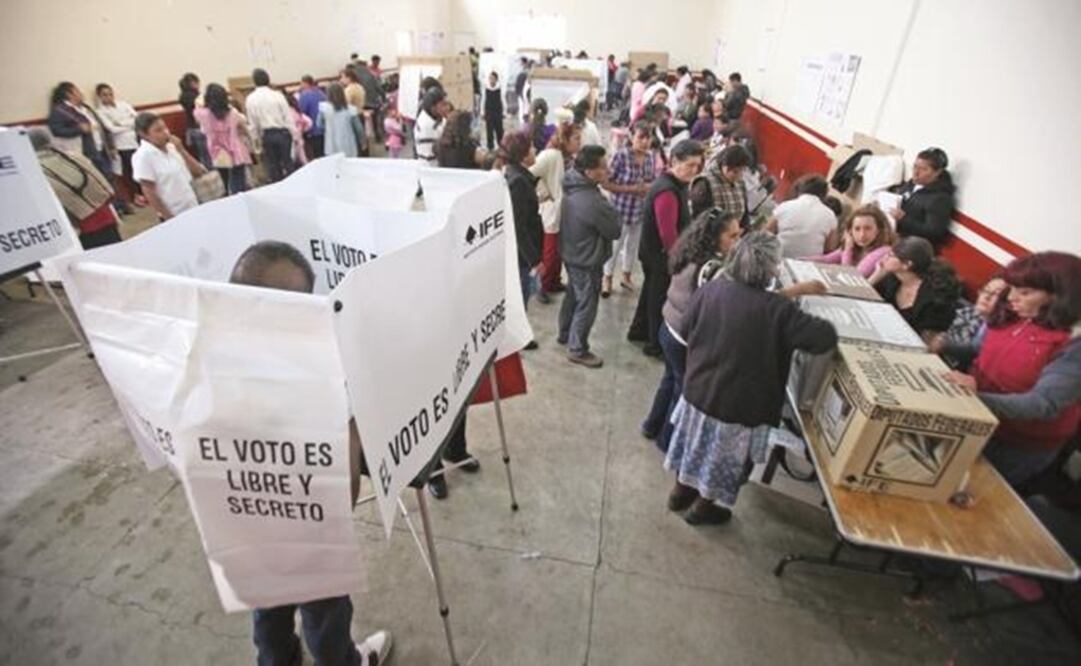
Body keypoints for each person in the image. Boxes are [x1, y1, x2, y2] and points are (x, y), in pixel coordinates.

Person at [229, 240, 394, 666]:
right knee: (325, 617)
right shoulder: (327, 371)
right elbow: (345, 481)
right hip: (312, 529)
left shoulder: (212, 363)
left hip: (247, 524)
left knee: (268, 608)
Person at [666, 232, 837, 524]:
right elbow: (823, 338)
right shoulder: (779, 311)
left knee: (693, 447)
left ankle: (679, 493)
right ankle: (703, 509)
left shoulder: (712, 290)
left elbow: (685, 329)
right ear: (771, 269)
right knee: (723, 462)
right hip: (739, 408)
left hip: (699, 391)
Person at [943, 252, 1081, 488]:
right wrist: (943, 345)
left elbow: (1043, 404)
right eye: (1013, 288)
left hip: (1016, 444)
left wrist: (977, 397)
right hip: (978, 419)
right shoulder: (1015, 315)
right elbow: (979, 349)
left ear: (1059, 297)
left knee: (971, 491)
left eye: (1025, 293)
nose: (1011, 298)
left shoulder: (1072, 343)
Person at [642, 209, 742, 450]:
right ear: (715, 236)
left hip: (668, 326)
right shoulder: (712, 268)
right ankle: (667, 441)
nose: (737, 242)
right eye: (732, 236)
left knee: (669, 380)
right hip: (683, 339)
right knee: (682, 392)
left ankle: (652, 425)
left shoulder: (688, 251)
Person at [629, 140, 707, 357]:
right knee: (658, 300)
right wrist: (678, 261)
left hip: (655, 253)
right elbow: (667, 234)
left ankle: (638, 331)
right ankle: (655, 344)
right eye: (690, 165)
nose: (694, 170)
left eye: (698, 166)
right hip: (660, 257)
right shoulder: (667, 191)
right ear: (674, 161)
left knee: (649, 294)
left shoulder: (677, 185)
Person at [558, 145, 622, 368]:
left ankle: (565, 333)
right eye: (602, 167)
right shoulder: (592, 201)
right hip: (586, 259)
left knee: (573, 295)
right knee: (587, 304)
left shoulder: (572, 183)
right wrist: (612, 209)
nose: (607, 170)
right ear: (588, 172)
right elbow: (615, 230)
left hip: (571, 252)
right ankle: (578, 349)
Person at [30, 127, 122, 249]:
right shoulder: (74, 156)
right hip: (104, 213)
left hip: (81, 226)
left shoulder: (34, 172)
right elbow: (100, 181)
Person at [601, 120, 655, 297]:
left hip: (639, 211)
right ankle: (607, 278)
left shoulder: (650, 157)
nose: (645, 142)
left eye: (648, 138)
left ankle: (626, 276)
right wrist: (630, 189)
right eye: (641, 137)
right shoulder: (621, 156)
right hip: (620, 210)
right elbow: (606, 183)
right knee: (615, 246)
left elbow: (651, 180)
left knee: (632, 246)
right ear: (632, 137)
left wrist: (648, 187)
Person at [869, 236, 960, 337]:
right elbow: (864, 301)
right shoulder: (892, 278)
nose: (885, 257)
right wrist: (876, 276)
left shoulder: (934, 299)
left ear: (907, 264)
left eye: (891, 255)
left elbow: (928, 338)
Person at [530, 122, 582, 301]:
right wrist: (543, 193)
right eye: (576, 138)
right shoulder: (550, 155)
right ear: (565, 139)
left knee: (559, 251)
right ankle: (541, 287)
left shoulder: (567, 156)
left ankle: (553, 282)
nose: (579, 142)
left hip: (564, 210)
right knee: (550, 253)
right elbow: (529, 173)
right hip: (551, 212)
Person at [131, 112, 205, 220]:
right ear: (144, 134)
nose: (165, 133)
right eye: (158, 130)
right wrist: (168, 217)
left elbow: (198, 172)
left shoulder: (172, 147)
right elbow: (149, 191)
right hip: (174, 212)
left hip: (192, 204)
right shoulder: (143, 156)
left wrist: (182, 150)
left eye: (165, 128)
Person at [501, 131, 543, 310]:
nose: (535, 150)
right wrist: (534, 260)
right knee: (521, 300)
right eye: (531, 147)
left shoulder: (515, 174)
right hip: (522, 258)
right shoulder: (519, 182)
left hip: (522, 255)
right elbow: (518, 227)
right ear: (523, 154)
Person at [932, 275, 1007, 369]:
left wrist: (945, 345)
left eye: (996, 294)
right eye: (986, 290)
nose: (986, 297)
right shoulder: (969, 313)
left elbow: (976, 353)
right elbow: (950, 342)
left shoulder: (1003, 331)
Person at [47, 82, 114, 183]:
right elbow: (56, 130)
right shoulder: (60, 111)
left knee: (109, 177)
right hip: (88, 153)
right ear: (69, 94)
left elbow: (101, 126)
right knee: (101, 181)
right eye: (77, 91)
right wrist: (79, 129)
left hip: (101, 148)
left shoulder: (84, 108)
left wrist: (110, 145)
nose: (81, 93)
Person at [889, 147, 956, 248]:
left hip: (913, 245)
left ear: (937, 173)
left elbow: (934, 232)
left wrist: (904, 219)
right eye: (915, 166)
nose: (916, 173)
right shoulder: (912, 184)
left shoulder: (940, 199)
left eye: (923, 169)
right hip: (895, 233)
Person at [806, 204, 895, 277]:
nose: (862, 235)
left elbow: (850, 277)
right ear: (850, 231)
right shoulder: (856, 247)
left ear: (878, 230)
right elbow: (826, 259)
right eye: (857, 229)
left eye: (868, 228)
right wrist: (800, 261)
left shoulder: (884, 251)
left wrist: (848, 249)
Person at [194, 83, 252, 195]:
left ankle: (227, 193)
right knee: (238, 180)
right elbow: (243, 121)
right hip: (235, 150)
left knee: (224, 177)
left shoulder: (203, 114)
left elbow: (197, 106)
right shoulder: (232, 113)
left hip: (217, 150)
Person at [93, 83, 140, 209]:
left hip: (135, 140)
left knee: (140, 167)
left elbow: (137, 120)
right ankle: (137, 196)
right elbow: (111, 129)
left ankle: (145, 193)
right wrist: (128, 124)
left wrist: (120, 123)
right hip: (121, 145)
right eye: (104, 95)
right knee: (130, 171)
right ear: (99, 97)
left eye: (110, 94)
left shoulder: (123, 104)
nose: (108, 97)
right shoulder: (100, 111)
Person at [245, 69, 296, 183]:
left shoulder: (250, 99)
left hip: (267, 135)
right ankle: (294, 185)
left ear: (254, 81)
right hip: (283, 133)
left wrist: (256, 141)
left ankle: (278, 188)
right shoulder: (278, 95)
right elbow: (287, 117)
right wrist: (294, 135)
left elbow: (253, 123)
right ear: (268, 79)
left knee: (273, 166)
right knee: (288, 163)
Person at [767, 174, 836, 258]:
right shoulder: (830, 215)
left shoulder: (785, 206)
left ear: (801, 189)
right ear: (824, 194)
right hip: (809, 263)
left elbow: (765, 233)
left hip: (779, 257)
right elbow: (829, 249)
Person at [692, 144, 751, 229]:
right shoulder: (705, 183)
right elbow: (699, 219)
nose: (739, 176)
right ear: (725, 166)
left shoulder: (740, 183)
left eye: (742, 171)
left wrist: (744, 228)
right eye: (735, 172)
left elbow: (745, 215)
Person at [319, 83, 366, 158]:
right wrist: (363, 141)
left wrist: (328, 128)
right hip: (348, 143)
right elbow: (358, 128)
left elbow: (319, 124)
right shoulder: (350, 109)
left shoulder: (324, 108)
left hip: (331, 143)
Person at [177, 73, 209, 166]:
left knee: (201, 156)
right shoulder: (197, 97)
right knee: (207, 157)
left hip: (191, 128)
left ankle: (205, 171)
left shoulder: (182, 96)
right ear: (193, 83)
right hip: (200, 128)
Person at [414, 87, 449, 164]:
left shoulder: (437, 118)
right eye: (443, 105)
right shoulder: (427, 127)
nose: (447, 108)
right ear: (433, 107)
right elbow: (430, 160)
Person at [297, 75, 328, 160]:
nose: (301, 86)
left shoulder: (304, 95)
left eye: (301, 84)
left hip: (313, 130)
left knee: (317, 155)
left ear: (306, 83)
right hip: (325, 128)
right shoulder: (322, 93)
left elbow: (301, 111)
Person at [284, 89, 313, 167]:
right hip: (299, 137)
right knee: (303, 159)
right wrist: (303, 129)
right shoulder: (297, 112)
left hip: (291, 139)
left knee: (292, 160)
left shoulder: (286, 113)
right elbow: (309, 122)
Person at [482, 71, 504, 150]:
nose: (491, 80)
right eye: (490, 78)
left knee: (499, 129)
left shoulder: (499, 88)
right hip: (489, 111)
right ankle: (490, 147)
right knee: (489, 130)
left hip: (497, 111)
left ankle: (501, 145)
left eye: (493, 78)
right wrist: (482, 112)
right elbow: (483, 100)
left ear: (496, 79)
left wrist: (503, 112)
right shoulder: (486, 88)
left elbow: (502, 100)